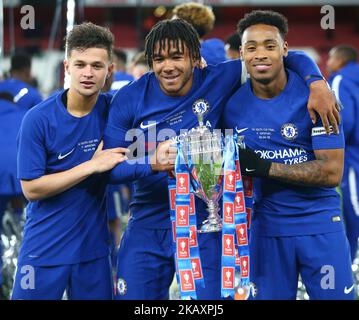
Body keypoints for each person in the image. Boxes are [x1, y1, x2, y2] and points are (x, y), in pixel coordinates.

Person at [104, 18, 340, 300]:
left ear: (195, 57)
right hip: (148, 221)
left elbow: (278, 55)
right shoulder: (129, 98)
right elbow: (109, 170)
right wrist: (151, 163)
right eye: (159, 59)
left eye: (177, 57)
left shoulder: (220, 78)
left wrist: (316, 83)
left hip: (207, 221)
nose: (168, 67)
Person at [224, 10, 354, 300]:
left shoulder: (319, 100)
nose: (261, 54)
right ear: (241, 53)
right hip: (265, 230)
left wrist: (265, 168)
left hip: (320, 225)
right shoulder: (232, 107)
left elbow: (331, 172)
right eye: (251, 47)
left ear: (284, 49)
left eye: (270, 46)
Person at [11, 22, 128, 300]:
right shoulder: (37, 119)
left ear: (109, 71)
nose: (88, 73)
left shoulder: (114, 111)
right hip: (44, 249)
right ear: (67, 67)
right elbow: (31, 189)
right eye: (80, 64)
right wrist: (91, 165)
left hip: (93, 250)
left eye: (97, 66)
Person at [327, 45, 359, 262]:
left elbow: (341, 121)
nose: (328, 63)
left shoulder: (339, 80)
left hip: (353, 156)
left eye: (330, 57)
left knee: (354, 209)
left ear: (339, 59)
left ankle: (353, 264)